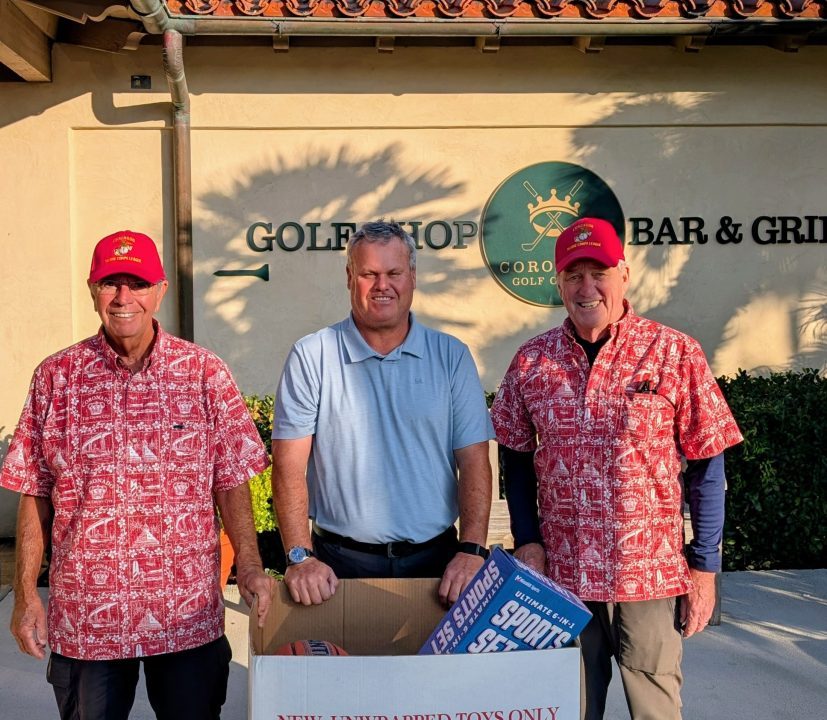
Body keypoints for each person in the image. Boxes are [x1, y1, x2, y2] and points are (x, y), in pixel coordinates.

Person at [0, 230, 273, 720]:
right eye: (111, 283)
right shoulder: (56, 377)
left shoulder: (203, 373)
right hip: (89, 617)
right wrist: (25, 598)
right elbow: (34, 491)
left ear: (160, 291)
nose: (124, 297)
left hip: (186, 614)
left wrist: (250, 565)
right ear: (92, 290)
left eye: (138, 283)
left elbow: (231, 480)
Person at [490, 217, 743, 720]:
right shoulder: (532, 362)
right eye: (574, 275)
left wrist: (704, 568)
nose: (587, 288)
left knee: (656, 712)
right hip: (563, 582)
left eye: (599, 273)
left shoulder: (674, 353)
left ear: (624, 275)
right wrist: (528, 540)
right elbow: (515, 459)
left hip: (648, 578)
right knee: (570, 710)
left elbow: (707, 466)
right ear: (559, 283)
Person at [271, 220, 493, 607]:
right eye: (369, 274)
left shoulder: (451, 356)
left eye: (394, 273)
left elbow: (474, 459)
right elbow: (288, 465)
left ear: (413, 277)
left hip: (438, 565)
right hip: (338, 569)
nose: (382, 285)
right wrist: (300, 557)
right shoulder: (312, 356)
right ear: (349, 277)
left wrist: (472, 550)